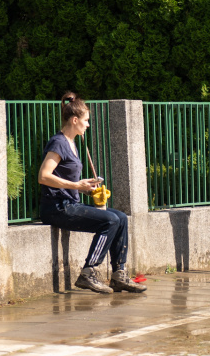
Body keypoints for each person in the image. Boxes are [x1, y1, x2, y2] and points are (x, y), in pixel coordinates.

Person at [37, 92, 146, 294]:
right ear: (75, 120)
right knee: (110, 221)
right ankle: (88, 272)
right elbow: (43, 176)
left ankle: (119, 274)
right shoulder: (58, 142)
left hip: (70, 204)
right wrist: (77, 186)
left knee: (121, 217)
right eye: (86, 121)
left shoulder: (72, 143)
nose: (88, 125)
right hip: (57, 207)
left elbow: (68, 181)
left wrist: (87, 189)